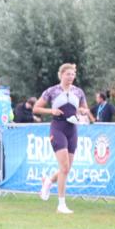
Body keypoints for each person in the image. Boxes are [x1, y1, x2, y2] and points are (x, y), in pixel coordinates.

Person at [33, 63, 90, 214]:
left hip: (73, 129)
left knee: (66, 168)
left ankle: (48, 181)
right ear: (61, 75)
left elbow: (85, 109)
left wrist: (83, 111)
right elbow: (36, 108)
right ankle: (61, 204)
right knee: (64, 168)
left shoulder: (78, 92)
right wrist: (51, 110)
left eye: (73, 74)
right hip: (57, 129)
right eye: (68, 74)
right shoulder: (52, 91)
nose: (71, 77)